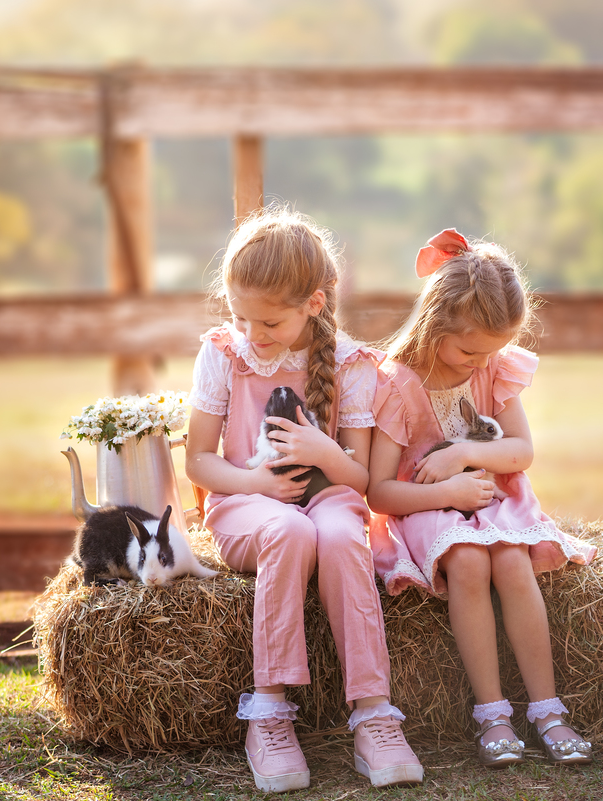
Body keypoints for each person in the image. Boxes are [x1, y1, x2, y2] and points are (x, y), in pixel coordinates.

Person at [185, 207, 422, 792]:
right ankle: (269, 713)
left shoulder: (350, 365)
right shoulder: (224, 353)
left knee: (340, 536)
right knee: (287, 530)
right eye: (240, 317)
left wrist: (322, 449)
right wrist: (260, 486)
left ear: (314, 303)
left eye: (268, 322)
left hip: (329, 498)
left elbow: (359, 479)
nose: (252, 333)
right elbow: (199, 461)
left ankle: (374, 713)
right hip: (245, 500)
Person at [367, 229, 597, 768]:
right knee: (468, 561)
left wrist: (464, 453)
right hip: (427, 507)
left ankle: (548, 710)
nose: (479, 362)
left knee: (511, 560)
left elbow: (521, 451)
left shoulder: (493, 365)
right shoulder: (397, 384)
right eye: (470, 350)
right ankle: (492, 714)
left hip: (494, 499)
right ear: (434, 323)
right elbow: (379, 491)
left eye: (490, 352)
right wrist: (447, 487)